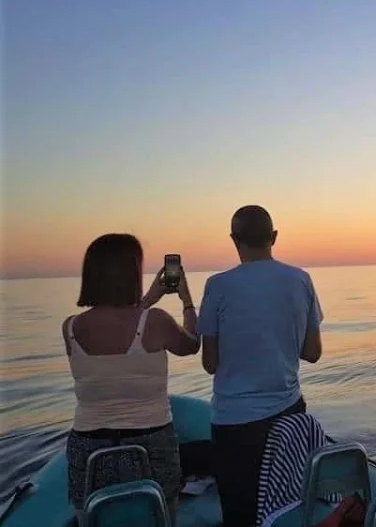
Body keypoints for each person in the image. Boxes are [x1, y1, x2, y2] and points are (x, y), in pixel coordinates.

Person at [196, 205, 324, 527]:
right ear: (274, 237)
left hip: (235, 424)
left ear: (233, 239)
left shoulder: (218, 285)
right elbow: (312, 352)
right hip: (289, 415)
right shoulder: (301, 280)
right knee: (286, 507)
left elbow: (210, 363)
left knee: (240, 515)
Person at [63, 233, 200, 526]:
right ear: (131, 273)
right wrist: (187, 300)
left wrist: (149, 299)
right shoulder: (156, 321)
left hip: (88, 447)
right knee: (161, 516)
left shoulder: (71, 328)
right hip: (151, 442)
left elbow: (120, 324)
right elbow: (191, 345)